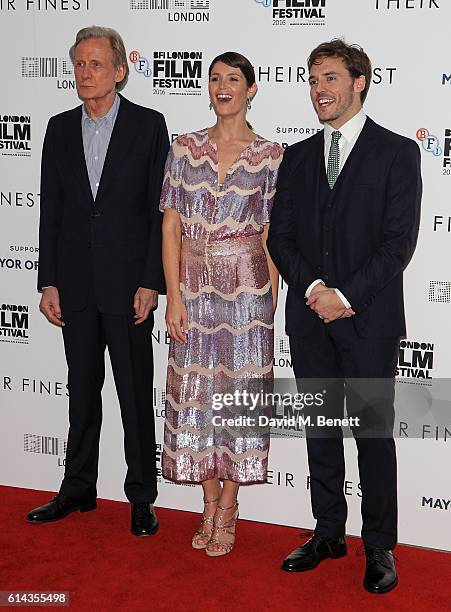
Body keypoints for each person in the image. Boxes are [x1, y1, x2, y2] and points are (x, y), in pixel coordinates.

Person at [267, 39, 421, 593]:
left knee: (373, 435)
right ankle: (328, 531)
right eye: (312, 80)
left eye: (330, 78)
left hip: (368, 321)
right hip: (309, 317)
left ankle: (378, 545)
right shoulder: (298, 156)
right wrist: (312, 288)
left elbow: (397, 244)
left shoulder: (397, 153)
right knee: (320, 430)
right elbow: (280, 238)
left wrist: (345, 296)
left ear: (359, 82)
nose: (319, 90)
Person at [27, 26, 169, 536]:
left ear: (120, 71)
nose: (85, 74)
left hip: (129, 288)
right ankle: (78, 488)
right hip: (77, 287)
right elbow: (53, 210)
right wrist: (49, 281)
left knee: (134, 396)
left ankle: (141, 498)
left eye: (96, 65)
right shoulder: (58, 128)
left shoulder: (149, 126)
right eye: (79, 65)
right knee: (81, 392)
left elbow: (160, 212)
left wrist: (151, 281)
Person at [160, 51, 283, 556]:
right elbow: (170, 225)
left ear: (251, 89)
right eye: (214, 79)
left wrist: (268, 297)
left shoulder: (273, 155)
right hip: (192, 283)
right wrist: (173, 296)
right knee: (196, 393)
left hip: (247, 288)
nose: (222, 87)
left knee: (239, 399)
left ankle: (229, 506)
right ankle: (206, 501)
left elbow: (274, 234)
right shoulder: (183, 148)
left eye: (233, 79)